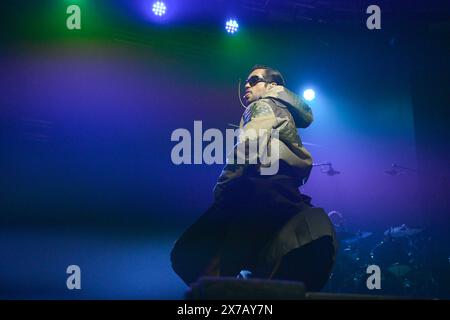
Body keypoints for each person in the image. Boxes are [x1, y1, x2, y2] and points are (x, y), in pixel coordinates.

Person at [170, 65, 337, 291]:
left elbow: (250, 143)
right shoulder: (282, 108)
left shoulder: (263, 104)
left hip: (257, 188)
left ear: (273, 86)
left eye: (254, 80)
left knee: (186, 256)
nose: (247, 85)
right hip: (281, 192)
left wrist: (225, 184)